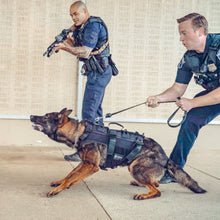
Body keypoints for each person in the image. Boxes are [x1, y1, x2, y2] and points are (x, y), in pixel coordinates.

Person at [146, 13, 220, 183]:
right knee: (190, 121)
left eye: (184, 33)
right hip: (213, 95)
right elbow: (178, 89)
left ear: (200, 31)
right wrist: (159, 98)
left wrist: (193, 102)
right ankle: (174, 170)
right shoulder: (189, 57)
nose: (181, 39)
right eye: (180, 34)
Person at [55, 1, 115, 161]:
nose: (73, 17)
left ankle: (85, 153)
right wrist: (67, 41)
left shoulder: (93, 26)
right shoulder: (84, 26)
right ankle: (102, 150)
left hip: (99, 73)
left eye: (76, 14)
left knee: (88, 114)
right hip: (98, 72)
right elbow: (78, 49)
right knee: (95, 113)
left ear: (85, 11)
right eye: (71, 15)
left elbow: (85, 52)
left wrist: (63, 47)